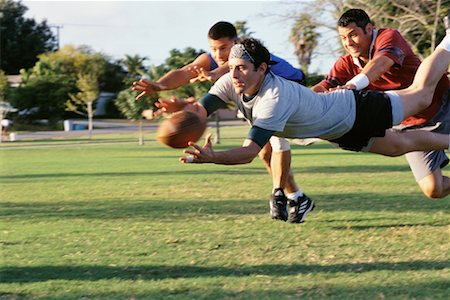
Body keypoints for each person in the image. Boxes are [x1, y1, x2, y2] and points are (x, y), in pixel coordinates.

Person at [151, 35, 450, 209]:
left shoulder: (274, 97)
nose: (234, 74)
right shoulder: (234, 81)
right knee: (400, 146)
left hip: (355, 108)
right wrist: (182, 110)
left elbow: (248, 153)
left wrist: (214, 158)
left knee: (421, 95)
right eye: (231, 68)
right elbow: (202, 110)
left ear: (262, 69)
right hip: (339, 132)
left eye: (242, 68)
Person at [133, 21, 312, 223]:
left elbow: (222, 71)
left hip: (292, 87)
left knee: (276, 142)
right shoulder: (216, 62)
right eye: (213, 49)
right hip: (260, 95)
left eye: (223, 48)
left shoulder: (244, 56)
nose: (218, 55)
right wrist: (158, 85)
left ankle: (282, 194)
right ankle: (296, 197)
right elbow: (184, 72)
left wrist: (211, 75)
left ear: (235, 43)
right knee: (265, 153)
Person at [311, 9, 450, 199]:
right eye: (343, 38)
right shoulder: (346, 63)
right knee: (434, 189)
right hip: (412, 125)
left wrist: (352, 85)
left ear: (368, 29)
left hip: (443, 102)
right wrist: (298, 102)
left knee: (421, 93)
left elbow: (380, 64)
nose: (348, 43)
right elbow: (324, 86)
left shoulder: (388, 37)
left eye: (353, 35)